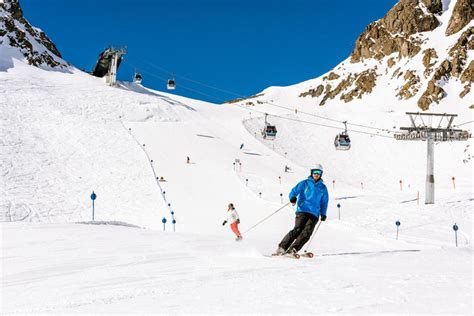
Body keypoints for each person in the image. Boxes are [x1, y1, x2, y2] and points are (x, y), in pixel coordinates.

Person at [273, 163, 329, 256]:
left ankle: (293, 249)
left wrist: (323, 213)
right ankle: (282, 248)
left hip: (314, 213)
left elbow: (324, 202)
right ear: (311, 172)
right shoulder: (305, 183)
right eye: (315, 172)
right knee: (298, 229)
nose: (316, 174)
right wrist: (293, 197)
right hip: (302, 209)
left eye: (318, 172)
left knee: (307, 232)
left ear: (321, 174)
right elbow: (294, 191)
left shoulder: (323, 188)